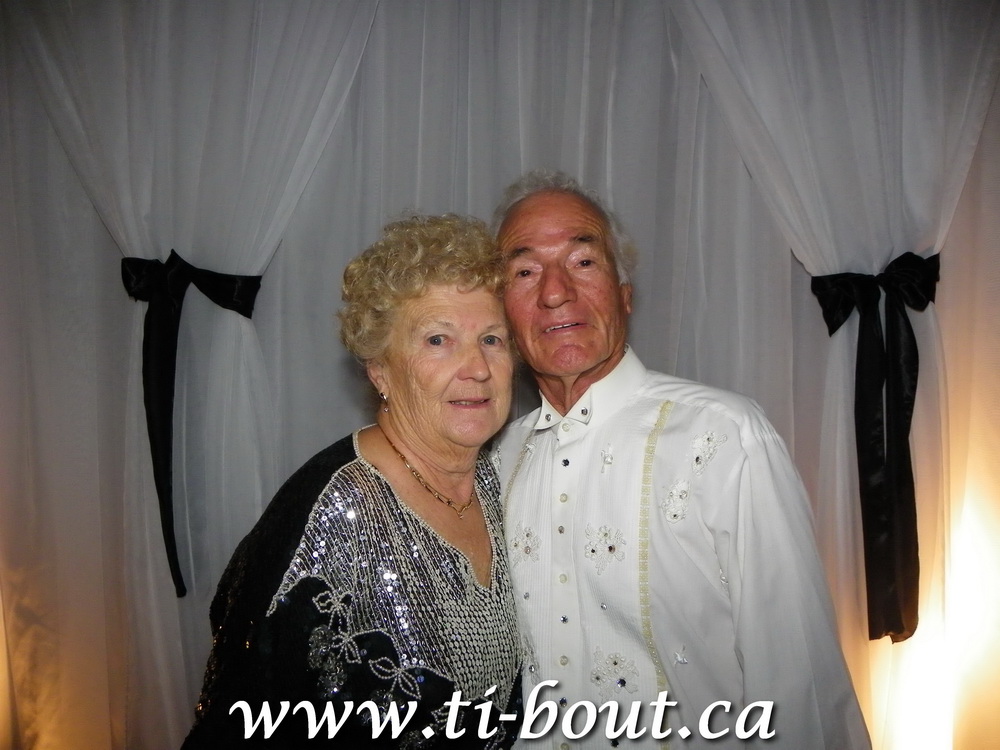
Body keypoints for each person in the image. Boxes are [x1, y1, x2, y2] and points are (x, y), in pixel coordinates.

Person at [492, 171, 871, 748]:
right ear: (503, 312)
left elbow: (800, 683)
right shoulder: (496, 461)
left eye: (583, 261)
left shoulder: (723, 437)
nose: (554, 292)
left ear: (625, 294)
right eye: (525, 272)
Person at [183, 214, 521, 748]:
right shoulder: (327, 516)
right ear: (380, 371)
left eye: (492, 339)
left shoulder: (506, 478)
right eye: (438, 339)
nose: (476, 367)